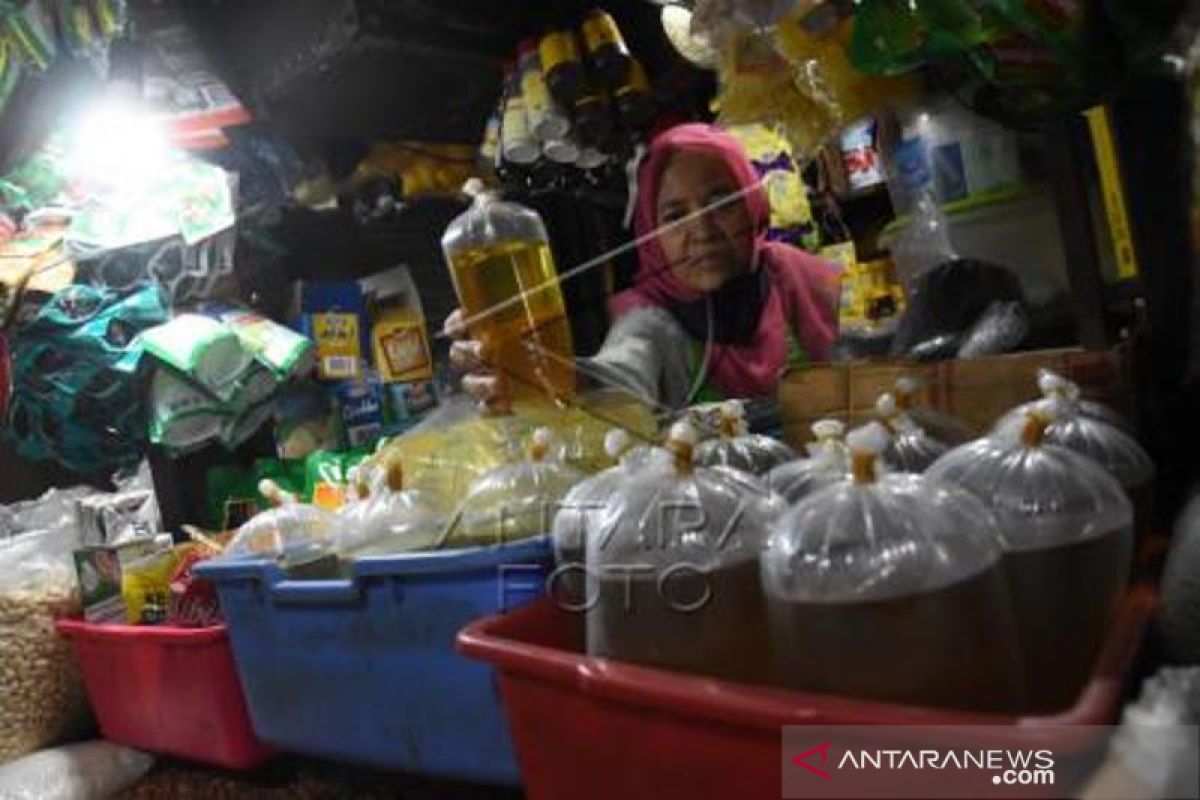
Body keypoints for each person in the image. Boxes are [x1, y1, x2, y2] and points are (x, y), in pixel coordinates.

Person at [446, 122, 839, 411]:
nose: (701, 228)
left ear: (754, 207)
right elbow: (618, 376)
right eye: (673, 216)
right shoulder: (651, 323)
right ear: (651, 233)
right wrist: (532, 371)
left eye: (721, 202)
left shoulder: (800, 278)